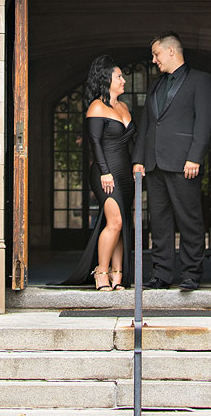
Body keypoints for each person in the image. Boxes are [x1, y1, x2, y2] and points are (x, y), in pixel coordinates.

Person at [132, 33, 211, 291]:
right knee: (158, 221)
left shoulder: (200, 80)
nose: (154, 60)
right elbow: (147, 124)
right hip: (154, 164)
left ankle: (191, 273)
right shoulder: (156, 85)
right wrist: (138, 159)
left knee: (190, 220)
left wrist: (195, 157)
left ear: (170, 51)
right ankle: (162, 273)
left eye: (156, 54)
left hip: (184, 164)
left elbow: (205, 122)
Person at [64, 55, 135, 290]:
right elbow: (94, 142)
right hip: (106, 173)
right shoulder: (97, 106)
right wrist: (105, 172)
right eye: (119, 77)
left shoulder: (123, 106)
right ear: (106, 79)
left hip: (125, 173)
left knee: (121, 223)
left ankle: (118, 275)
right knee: (114, 221)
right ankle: (101, 272)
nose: (123, 80)